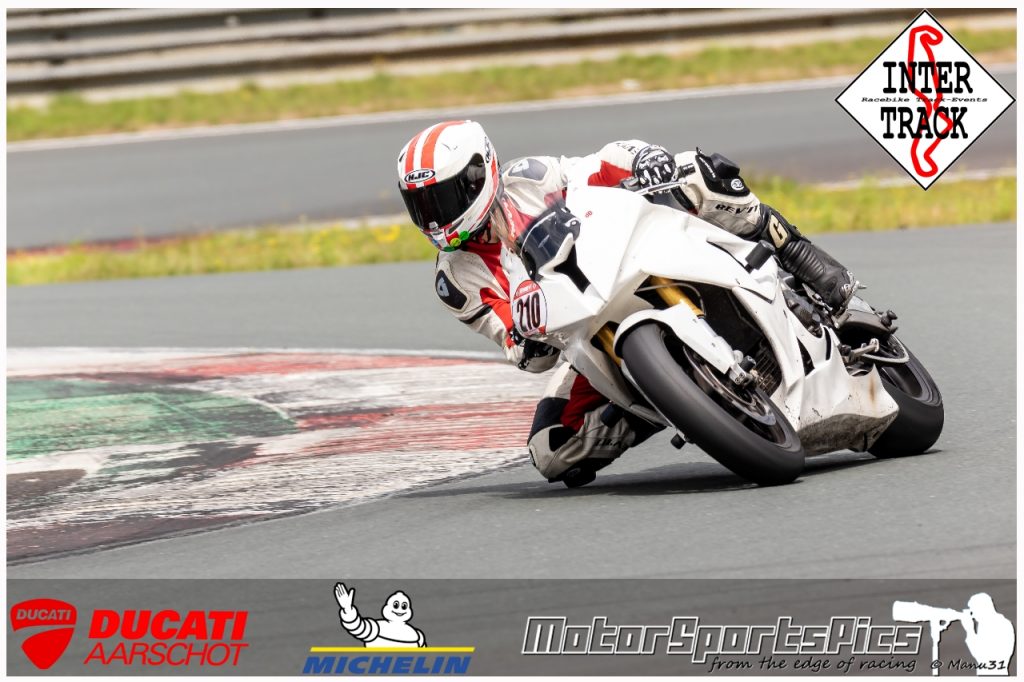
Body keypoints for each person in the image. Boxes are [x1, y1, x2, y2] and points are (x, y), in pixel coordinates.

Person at [396, 119, 856, 487]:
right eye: (422, 204)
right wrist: (525, 345)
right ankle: (664, 399)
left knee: (695, 171)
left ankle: (799, 255)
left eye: (442, 198)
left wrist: (642, 159)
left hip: (630, 259)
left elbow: (598, 166)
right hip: (586, 332)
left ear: (479, 174)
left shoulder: (529, 179)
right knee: (551, 450)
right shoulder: (456, 279)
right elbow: (511, 341)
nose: (434, 216)